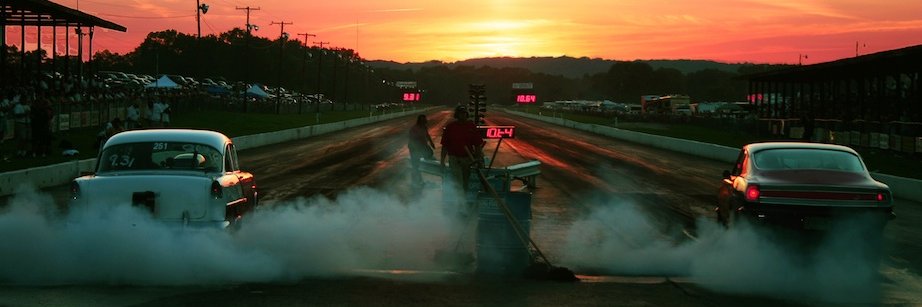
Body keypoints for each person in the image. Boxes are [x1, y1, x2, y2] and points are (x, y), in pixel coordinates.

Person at [440, 106, 484, 192]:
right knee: (458, 182)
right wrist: (442, 161)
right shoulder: (450, 127)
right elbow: (445, 145)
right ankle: (459, 202)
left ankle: (463, 199)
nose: (463, 115)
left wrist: (479, 159)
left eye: (464, 113)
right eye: (461, 113)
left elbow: (478, 145)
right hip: (454, 159)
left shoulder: (471, 126)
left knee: (465, 182)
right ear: (457, 115)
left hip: (467, 159)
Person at [408, 114, 436, 187]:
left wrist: (431, 143)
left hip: (421, 146)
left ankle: (418, 181)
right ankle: (416, 181)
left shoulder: (424, 127)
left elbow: (427, 135)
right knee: (415, 165)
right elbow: (413, 140)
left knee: (430, 153)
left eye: (424, 120)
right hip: (414, 148)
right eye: (422, 120)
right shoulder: (414, 128)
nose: (424, 122)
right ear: (419, 121)